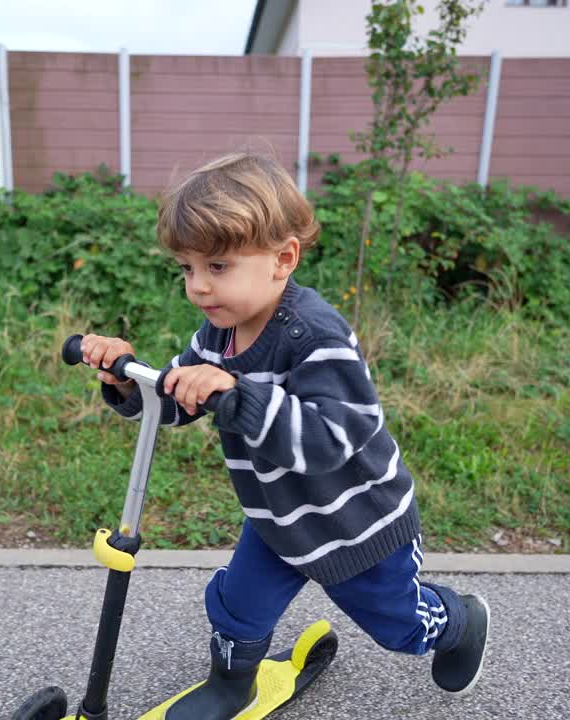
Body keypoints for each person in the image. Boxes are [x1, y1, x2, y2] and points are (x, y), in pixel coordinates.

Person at [79, 152, 489, 719]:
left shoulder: (314, 333)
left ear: (283, 259)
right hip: (279, 519)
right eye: (187, 267)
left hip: (358, 524)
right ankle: (231, 685)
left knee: (400, 628)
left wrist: (238, 395)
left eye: (218, 266)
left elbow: (334, 437)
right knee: (236, 606)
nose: (198, 286)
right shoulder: (218, 333)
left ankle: (460, 619)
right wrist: (128, 379)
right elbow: (177, 402)